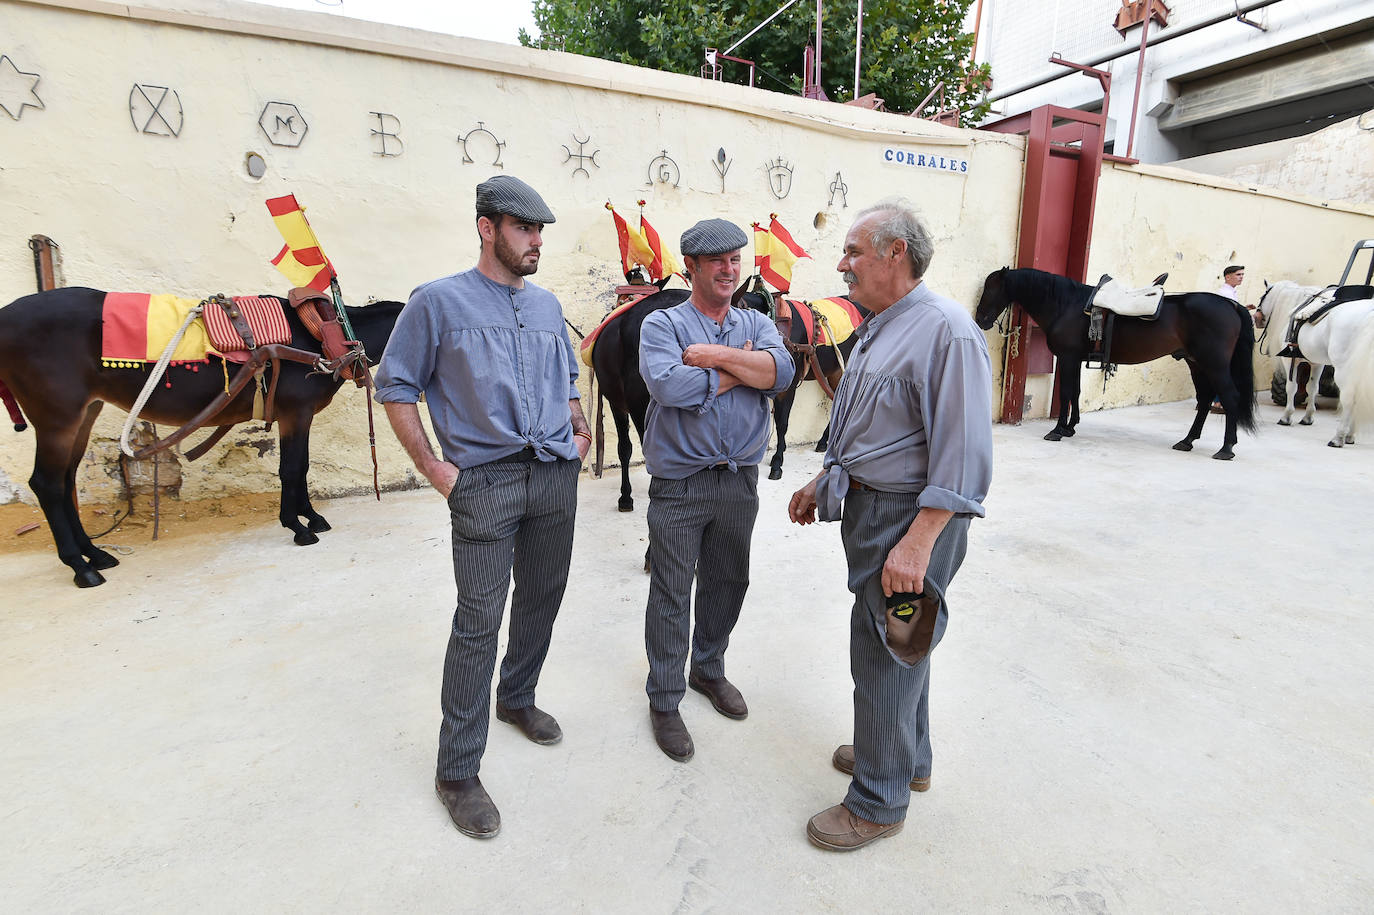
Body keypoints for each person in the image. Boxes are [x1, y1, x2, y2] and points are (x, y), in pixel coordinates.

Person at [373, 175, 591, 840]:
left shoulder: (549, 306)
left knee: (543, 597)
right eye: (524, 228)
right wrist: (435, 468)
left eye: (540, 231)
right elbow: (396, 384)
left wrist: (579, 431)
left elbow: (568, 380)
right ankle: (458, 771)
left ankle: (517, 696)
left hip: (554, 475)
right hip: (484, 483)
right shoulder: (437, 303)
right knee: (478, 620)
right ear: (486, 227)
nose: (536, 241)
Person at [788, 199, 993, 851]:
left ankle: (878, 799)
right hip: (879, 513)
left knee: (882, 648)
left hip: (911, 522)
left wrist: (918, 542)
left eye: (853, 251)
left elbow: (962, 456)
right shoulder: (884, 321)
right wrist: (826, 479)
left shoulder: (946, 331)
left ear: (894, 254)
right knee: (907, 642)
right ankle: (911, 757)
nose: (842, 264)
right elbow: (876, 421)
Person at [638, 218, 795, 762]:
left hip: (739, 479)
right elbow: (669, 386)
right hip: (681, 482)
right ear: (692, 268)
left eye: (736, 260)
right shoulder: (663, 325)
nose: (730, 270)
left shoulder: (755, 319)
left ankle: (708, 669)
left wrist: (718, 358)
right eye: (716, 262)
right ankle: (664, 697)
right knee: (672, 591)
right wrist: (742, 369)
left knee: (729, 580)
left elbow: (782, 372)